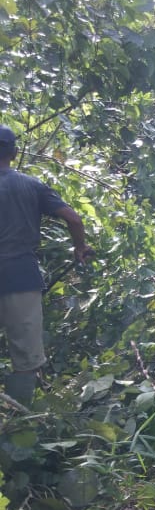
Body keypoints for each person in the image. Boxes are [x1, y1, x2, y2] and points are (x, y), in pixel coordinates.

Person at [0, 125, 93, 407]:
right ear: (15, 153)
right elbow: (74, 219)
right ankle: (19, 424)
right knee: (25, 354)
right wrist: (79, 247)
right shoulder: (31, 185)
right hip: (21, 276)